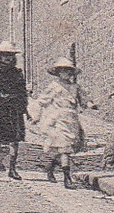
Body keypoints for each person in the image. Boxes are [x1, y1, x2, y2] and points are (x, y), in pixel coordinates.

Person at [31, 59, 89, 188]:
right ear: (58, 73)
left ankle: (50, 166)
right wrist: (36, 116)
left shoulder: (75, 87)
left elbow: (83, 100)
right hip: (58, 120)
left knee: (67, 148)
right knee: (65, 149)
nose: (66, 73)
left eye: (69, 71)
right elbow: (42, 101)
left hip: (72, 119)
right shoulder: (54, 87)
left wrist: (91, 104)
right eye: (63, 71)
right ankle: (67, 179)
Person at [0, 41, 29, 179]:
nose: (7, 58)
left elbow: (22, 91)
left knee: (14, 140)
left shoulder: (18, 73)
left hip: (14, 109)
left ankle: (12, 169)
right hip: (0, 109)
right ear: (0, 57)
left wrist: (25, 108)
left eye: (10, 55)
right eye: (5, 55)